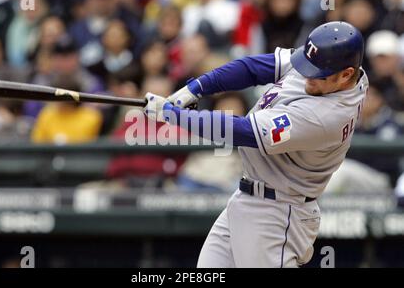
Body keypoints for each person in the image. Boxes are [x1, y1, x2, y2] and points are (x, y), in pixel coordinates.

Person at [143, 21, 368, 268]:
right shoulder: (335, 68)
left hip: (278, 213)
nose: (306, 76)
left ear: (346, 74)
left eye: (316, 73)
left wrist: (173, 115)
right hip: (249, 197)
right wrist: (196, 88)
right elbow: (253, 68)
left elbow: (242, 131)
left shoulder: (326, 117)